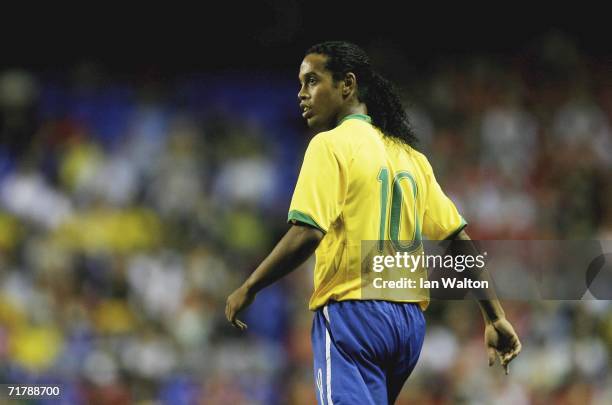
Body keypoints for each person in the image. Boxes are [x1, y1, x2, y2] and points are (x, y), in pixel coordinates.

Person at [226, 41, 521, 404]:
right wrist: (494, 315)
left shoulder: (330, 145)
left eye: (312, 81)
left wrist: (250, 286)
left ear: (347, 85)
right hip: (408, 326)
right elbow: (458, 238)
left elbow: (307, 233)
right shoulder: (411, 157)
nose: (301, 94)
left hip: (353, 312)